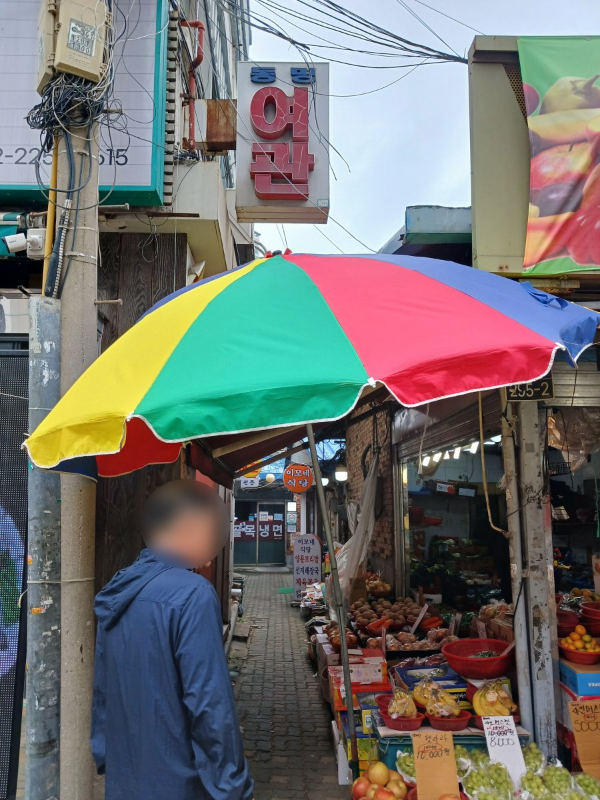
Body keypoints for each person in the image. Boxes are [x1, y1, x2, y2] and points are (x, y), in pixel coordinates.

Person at [91, 480, 253, 800]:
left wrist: (105, 753)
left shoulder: (118, 590)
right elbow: (209, 705)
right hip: (178, 782)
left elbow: (103, 690)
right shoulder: (193, 594)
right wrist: (233, 787)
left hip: (124, 778)